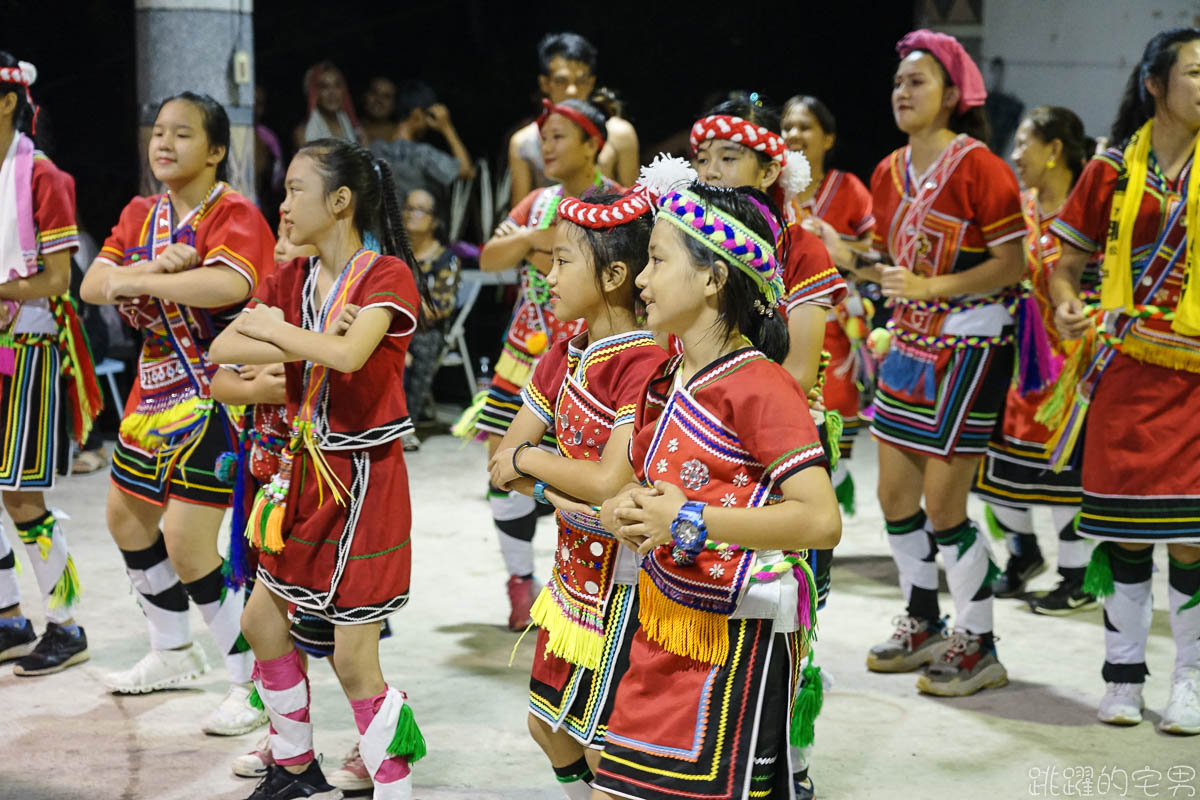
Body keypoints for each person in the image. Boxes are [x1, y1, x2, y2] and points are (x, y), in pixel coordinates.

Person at [590, 181, 841, 800]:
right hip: (659, 627)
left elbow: (820, 520)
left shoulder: (760, 386)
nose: (640, 279)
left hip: (732, 648)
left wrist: (689, 519)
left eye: (657, 259)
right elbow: (655, 488)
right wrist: (631, 508)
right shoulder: (666, 373)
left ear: (712, 279)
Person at [210, 137, 431, 798]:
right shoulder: (294, 277)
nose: (284, 204)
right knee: (261, 621)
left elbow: (348, 356)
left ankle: (395, 784)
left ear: (340, 201)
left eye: (295, 190)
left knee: (353, 657)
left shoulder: (386, 275)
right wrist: (288, 330)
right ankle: (293, 765)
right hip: (304, 474)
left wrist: (275, 331)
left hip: (364, 479)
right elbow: (221, 347)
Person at [80, 91, 275, 735]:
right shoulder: (141, 213)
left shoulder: (237, 215)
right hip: (152, 394)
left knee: (188, 542)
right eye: (158, 133)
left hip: (220, 393)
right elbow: (90, 284)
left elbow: (228, 285)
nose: (163, 144)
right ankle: (171, 648)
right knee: (125, 518)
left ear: (217, 150)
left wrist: (139, 277)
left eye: (182, 135)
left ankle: (250, 684)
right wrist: (150, 268)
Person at [486, 167, 682, 797]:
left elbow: (606, 479)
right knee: (550, 727)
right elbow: (501, 460)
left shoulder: (646, 363)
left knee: (610, 753)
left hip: (628, 585)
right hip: (575, 578)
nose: (547, 276)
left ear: (614, 276)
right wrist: (552, 484)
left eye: (562, 261)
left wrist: (536, 469)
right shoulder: (563, 352)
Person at [864, 30, 1026, 697]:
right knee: (894, 495)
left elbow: (1012, 264)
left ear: (955, 95)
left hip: (972, 344)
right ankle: (924, 618)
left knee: (943, 503)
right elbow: (884, 263)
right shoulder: (886, 171)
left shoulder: (981, 166)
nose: (903, 92)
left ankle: (980, 640)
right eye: (899, 82)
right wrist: (834, 250)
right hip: (907, 345)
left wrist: (928, 289)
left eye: (919, 81)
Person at [1048, 27, 1200, 734]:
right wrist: (1066, 302)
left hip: (1198, 376)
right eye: (1195, 73)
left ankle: (1191, 683)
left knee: (1194, 540)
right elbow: (1064, 264)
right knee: (1128, 536)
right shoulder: (1108, 170)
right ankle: (1122, 679)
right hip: (1123, 371)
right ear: (1155, 85)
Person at [476, 95, 622, 631]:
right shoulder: (536, 201)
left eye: (561, 136)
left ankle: (585, 586)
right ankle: (519, 583)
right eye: (545, 136)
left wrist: (533, 245)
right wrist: (537, 241)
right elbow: (490, 256)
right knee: (502, 470)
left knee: (591, 473)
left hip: (592, 363)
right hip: (523, 359)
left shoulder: (616, 204)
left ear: (593, 144)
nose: (548, 146)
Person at [972, 106, 1100, 615]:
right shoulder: (1016, 211)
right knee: (998, 470)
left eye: (1026, 142)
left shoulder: (1091, 214)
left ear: (1055, 151)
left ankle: (1078, 576)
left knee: (1067, 476)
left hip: (1073, 365)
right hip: (1017, 362)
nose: (1016, 154)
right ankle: (1023, 555)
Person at [0, 53, 101, 676]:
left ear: (7, 100)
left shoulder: (42, 176)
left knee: (22, 498)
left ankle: (67, 624)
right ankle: (9, 618)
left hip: (31, 348)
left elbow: (60, 279)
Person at [784, 94, 877, 516]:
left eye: (804, 127)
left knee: (830, 426)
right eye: (786, 126)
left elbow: (877, 252)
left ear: (828, 138)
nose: (793, 135)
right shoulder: (773, 187)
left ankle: (823, 515)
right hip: (782, 323)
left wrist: (837, 247)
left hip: (838, 326)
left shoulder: (849, 189)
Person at [506, 32, 639, 206]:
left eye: (581, 81)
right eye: (561, 81)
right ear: (545, 84)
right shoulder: (523, 143)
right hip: (547, 228)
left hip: (606, 228)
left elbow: (634, 207)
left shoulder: (620, 134)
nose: (572, 91)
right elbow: (521, 218)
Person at [400, 187, 460, 450]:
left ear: (434, 220)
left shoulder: (445, 259)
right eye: (409, 208)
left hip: (427, 330)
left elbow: (440, 307)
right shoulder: (395, 252)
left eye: (420, 210)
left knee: (421, 347)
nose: (412, 215)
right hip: (394, 324)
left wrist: (399, 306)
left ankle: (406, 426)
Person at [370, 80, 474, 213]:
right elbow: (467, 171)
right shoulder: (422, 154)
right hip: (415, 229)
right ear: (417, 114)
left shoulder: (375, 149)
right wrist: (447, 128)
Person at [294, 61, 361, 149]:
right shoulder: (303, 134)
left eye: (337, 86)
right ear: (312, 94)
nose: (332, 93)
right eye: (324, 87)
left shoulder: (356, 129)